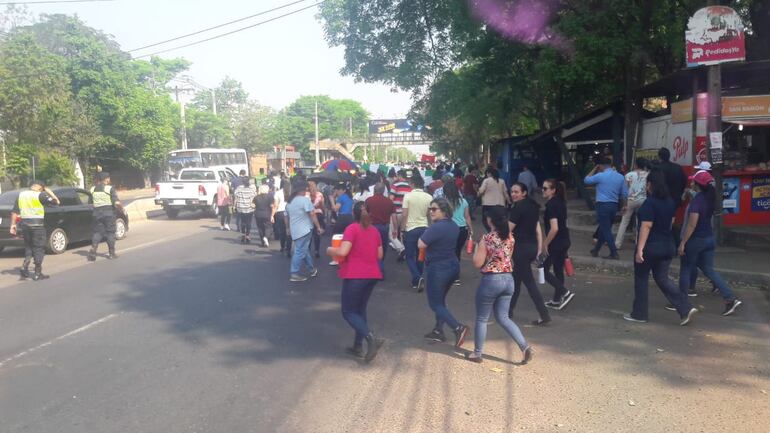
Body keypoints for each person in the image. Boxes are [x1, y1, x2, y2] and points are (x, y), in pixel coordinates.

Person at [625, 168, 696, 325]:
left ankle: (639, 313)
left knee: (641, 278)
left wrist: (640, 249)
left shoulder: (649, 203)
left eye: (647, 183)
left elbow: (646, 226)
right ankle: (685, 308)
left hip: (651, 246)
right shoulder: (670, 202)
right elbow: (671, 222)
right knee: (662, 278)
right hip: (667, 245)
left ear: (650, 184)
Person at [466, 206, 533, 364]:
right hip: (508, 279)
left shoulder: (487, 238)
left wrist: (476, 248)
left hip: (491, 280)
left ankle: (477, 353)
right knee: (504, 317)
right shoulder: (510, 237)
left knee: (482, 318)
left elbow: (477, 263)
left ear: (490, 220)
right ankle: (525, 347)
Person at [678, 171, 742, 316]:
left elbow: (691, 225)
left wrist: (683, 242)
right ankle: (730, 297)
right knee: (708, 269)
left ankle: (681, 302)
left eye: (693, 181)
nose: (691, 183)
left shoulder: (697, 201)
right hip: (709, 238)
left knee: (686, 268)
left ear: (698, 185)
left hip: (696, 240)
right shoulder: (710, 198)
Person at [326, 201, 385, 362]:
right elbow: (380, 255)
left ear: (354, 213)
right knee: (359, 310)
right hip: (372, 275)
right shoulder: (374, 230)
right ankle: (358, 345)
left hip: (355, 275)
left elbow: (343, 252)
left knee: (348, 312)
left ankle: (370, 338)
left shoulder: (352, 229)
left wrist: (330, 250)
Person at [418, 198, 469, 347]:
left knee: (435, 303)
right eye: (430, 209)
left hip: (438, 268)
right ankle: (438, 330)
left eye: (434, 209)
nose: (431, 212)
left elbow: (421, 244)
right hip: (452, 266)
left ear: (444, 211)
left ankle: (458, 328)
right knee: (440, 300)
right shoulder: (453, 225)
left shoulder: (436, 227)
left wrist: (427, 232)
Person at [508, 183, 551, 325]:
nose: (513, 194)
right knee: (516, 280)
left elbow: (508, 229)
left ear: (524, 193)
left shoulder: (518, 207)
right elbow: (538, 230)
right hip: (531, 247)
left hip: (521, 249)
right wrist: (538, 248)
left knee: (529, 283)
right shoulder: (533, 206)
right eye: (512, 192)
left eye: (516, 192)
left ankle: (544, 315)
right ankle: (508, 310)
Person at [10, 180, 60, 280]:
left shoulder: (21, 195)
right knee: (39, 248)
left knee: (28, 246)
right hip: (37, 226)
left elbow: (14, 211)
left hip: (25, 225)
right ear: (40, 187)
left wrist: (13, 225)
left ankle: (25, 266)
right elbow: (56, 202)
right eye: (42, 189)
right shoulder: (40, 195)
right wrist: (49, 192)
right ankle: (38, 273)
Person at [584, 158, 627, 260]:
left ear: (601, 166)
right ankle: (596, 250)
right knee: (604, 229)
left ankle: (614, 252)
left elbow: (586, 180)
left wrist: (594, 169)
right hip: (614, 205)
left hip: (602, 205)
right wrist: (624, 205)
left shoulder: (600, 176)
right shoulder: (620, 177)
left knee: (606, 230)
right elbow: (625, 194)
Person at [541, 179, 574, 310]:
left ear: (553, 190)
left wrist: (545, 243)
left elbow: (554, 228)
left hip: (556, 242)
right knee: (558, 269)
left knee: (544, 269)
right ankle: (556, 300)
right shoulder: (560, 202)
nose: (543, 190)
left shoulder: (551, 205)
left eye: (545, 188)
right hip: (564, 240)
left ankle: (565, 293)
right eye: (543, 188)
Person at [285, 181, 324, 282]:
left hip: (295, 230)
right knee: (299, 251)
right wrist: (318, 227)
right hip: (305, 229)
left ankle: (311, 269)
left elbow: (286, 216)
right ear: (301, 190)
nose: (306, 191)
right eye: (305, 189)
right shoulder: (305, 200)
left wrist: (287, 228)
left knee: (304, 250)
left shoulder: (289, 202)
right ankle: (294, 273)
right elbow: (312, 214)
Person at [400, 174, 433, 290]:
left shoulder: (407, 196)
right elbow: (429, 214)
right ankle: (417, 281)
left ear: (412, 184)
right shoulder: (429, 197)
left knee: (409, 256)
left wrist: (402, 229)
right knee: (421, 255)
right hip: (424, 228)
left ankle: (417, 277)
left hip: (410, 229)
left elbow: (404, 214)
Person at [615, 158, 649, 250]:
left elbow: (624, 191)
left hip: (630, 201)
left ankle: (617, 244)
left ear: (636, 165)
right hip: (643, 201)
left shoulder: (629, 175)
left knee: (624, 222)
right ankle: (639, 245)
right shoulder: (648, 175)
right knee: (640, 223)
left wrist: (624, 204)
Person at [87, 172, 122, 261]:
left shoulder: (92, 189)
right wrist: (121, 208)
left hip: (96, 214)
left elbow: (90, 203)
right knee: (110, 233)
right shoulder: (109, 189)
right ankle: (111, 253)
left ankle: (93, 249)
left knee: (98, 232)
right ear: (106, 179)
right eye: (108, 178)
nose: (109, 179)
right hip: (109, 214)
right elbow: (116, 202)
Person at [656, 147, 688, 245]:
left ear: (659, 157)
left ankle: (667, 240)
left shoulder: (658, 168)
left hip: (662, 199)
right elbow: (684, 181)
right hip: (675, 199)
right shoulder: (678, 167)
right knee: (672, 219)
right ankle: (675, 241)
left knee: (662, 221)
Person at [443, 179, 472, 283]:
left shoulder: (444, 203)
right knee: (457, 252)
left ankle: (450, 274)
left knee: (449, 252)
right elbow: (467, 217)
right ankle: (455, 275)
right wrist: (471, 229)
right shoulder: (463, 201)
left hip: (449, 229)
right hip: (462, 229)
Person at [365, 183, 395, 275]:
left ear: (374, 190)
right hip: (384, 227)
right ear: (383, 191)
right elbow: (394, 216)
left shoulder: (369, 200)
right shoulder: (389, 202)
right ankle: (380, 266)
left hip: (372, 227)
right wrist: (395, 229)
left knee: (371, 247)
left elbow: (365, 214)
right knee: (383, 247)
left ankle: (375, 268)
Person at [478, 167, 510, 233]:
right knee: (498, 220)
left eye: (487, 173)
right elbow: (505, 193)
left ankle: (491, 232)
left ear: (489, 173)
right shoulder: (502, 181)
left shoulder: (486, 180)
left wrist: (478, 192)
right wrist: (509, 202)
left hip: (488, 205)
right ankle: (498, 233)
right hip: (500, 204)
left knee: (486, 220)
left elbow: (481, 191)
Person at [233, 178, 257, 244]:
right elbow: (255, 197)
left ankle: (243, 234)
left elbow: (235, 195)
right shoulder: (252, 190)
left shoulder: (239, 189)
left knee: (243, 221)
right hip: (249, 208)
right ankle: (247, 235)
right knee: (249, 222)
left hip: (241, 208)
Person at [308, 180, 326, 258]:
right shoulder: (320, 194)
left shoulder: (306, 195)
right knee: (317, 233)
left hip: (309, 215)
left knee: (309, 233)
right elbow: (323, 205)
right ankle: (316, 250)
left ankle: (308, 250)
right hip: (319, 214)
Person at [273, 180, 292, 256]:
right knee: (289, 231)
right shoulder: (292, 192)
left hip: (280, 213)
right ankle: (288, 248)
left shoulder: (278, 193)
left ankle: (282, 246)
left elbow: (276, 205)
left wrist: (272, 215)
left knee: (282, 231)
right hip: (290, 212)